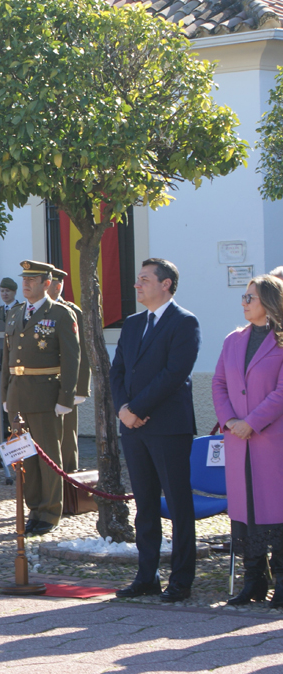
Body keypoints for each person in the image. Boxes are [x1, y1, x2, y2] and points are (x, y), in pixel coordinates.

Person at [110, 258, 200, 603]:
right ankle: (147, 576)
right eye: (137, 279)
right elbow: (118, 371)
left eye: (145, 279)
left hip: (167, 427)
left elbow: (174, 374)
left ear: (166, 284)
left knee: (178, 506)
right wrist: (123, 410)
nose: (137, 285)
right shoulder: (132, 324)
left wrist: (137, 409)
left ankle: (181, 580)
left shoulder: (184, 322)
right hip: (133, 428)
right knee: (145, 505)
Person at [212, 275, 283, 608]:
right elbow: (219, 384)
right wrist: (230, 421)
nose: (243, 302)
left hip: (271, 440)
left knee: (276, 510)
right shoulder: (233, 340)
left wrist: (251, 422)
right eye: (243, 296)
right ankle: (253, 581)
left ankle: (281, 583)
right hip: (238, 442)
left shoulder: (281, 340)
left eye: (250, 297)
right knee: (245, 513)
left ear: (268, 302)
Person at [1, 260, 80, 536]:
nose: (26, 284)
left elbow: (72, 359)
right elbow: (6, 358)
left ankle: (49, 511)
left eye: (32, 280)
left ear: (47, 284)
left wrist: (66, 397)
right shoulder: (15, 314)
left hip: (46, 394)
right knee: (25, 457)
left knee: (48, 456)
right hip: (18, 395)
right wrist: (5, 395)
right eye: (24, 279)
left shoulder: (60, 313)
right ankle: (33, 507)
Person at [49, 268, 91, 473]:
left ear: (58, 287)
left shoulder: (72, 312)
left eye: (48, 285)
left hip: (65, 383)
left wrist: (80, 389)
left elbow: (81, 352)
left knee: (66, 436)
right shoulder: (29, 312)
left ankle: (69, 478)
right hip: (39, 385)